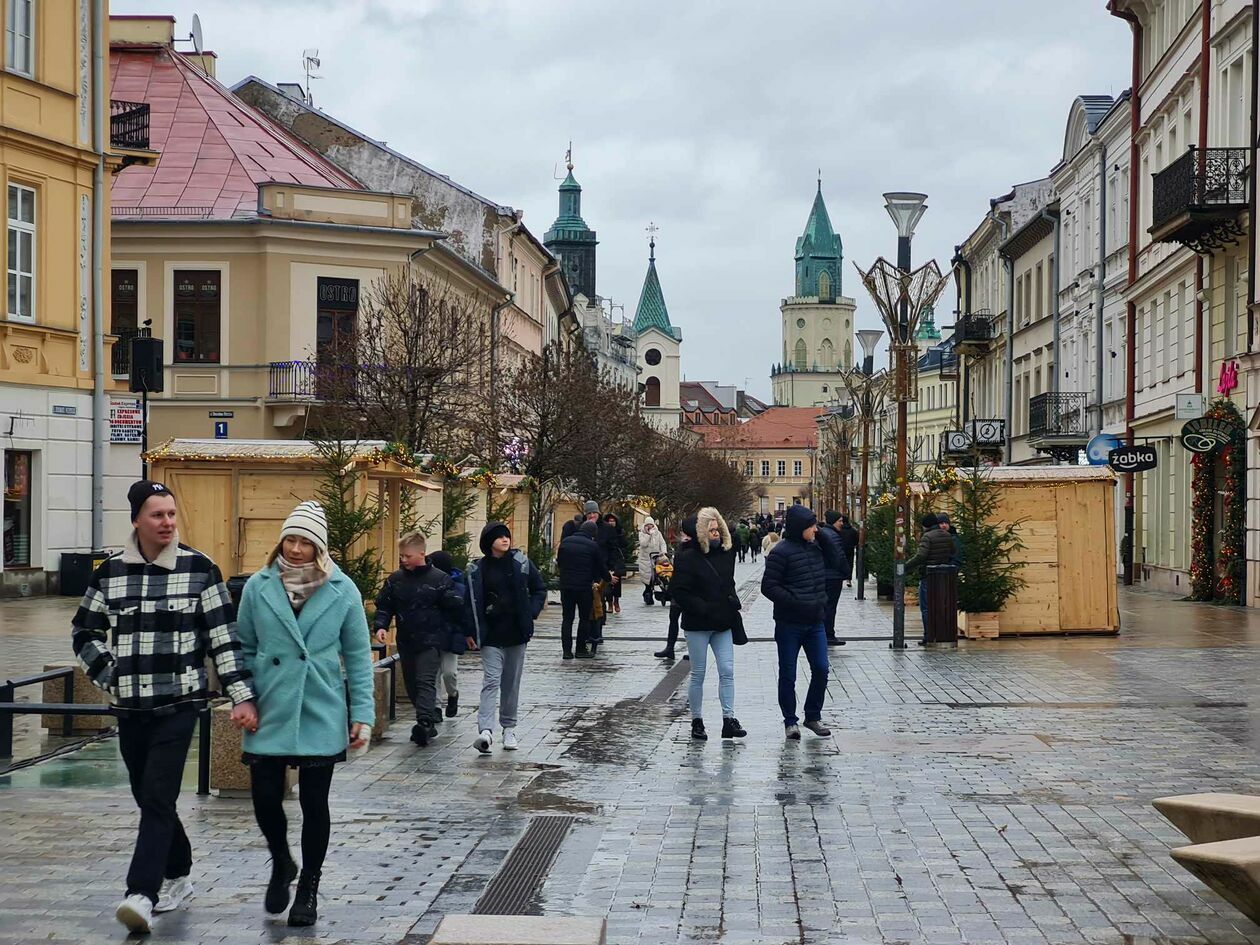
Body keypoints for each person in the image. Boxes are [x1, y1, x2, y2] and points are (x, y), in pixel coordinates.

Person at [72, 479, 258, 934]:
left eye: (172, 514)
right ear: (137, 519)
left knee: (158, 795)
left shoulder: (201, 569)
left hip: (180, 704)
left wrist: (242, 696)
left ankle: (141, 892)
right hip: (131, 708)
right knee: (147, 796)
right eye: (158, 515)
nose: (167, 523)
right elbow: (84, 632)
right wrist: (110, 675)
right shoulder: (109, 573)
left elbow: (223, 639)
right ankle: (179, 871)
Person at [234, 501, 374, 927]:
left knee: (315, 802)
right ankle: (281, 861)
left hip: (320, 703)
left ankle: (309, 888)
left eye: (306, 542)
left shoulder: (342, 589)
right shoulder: (258, 586)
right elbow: (242, 646)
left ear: (320, 547)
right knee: (263, 797)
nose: (296, 550)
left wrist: (362, 712)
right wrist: (244, 696)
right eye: (290, 540)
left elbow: (357, 655)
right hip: (271, 703)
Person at [373, 532, 466, 746]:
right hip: (407, 640)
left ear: (421, 554)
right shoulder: (396, 580)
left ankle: (425, 721)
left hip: (431, 641)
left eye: (407, 556)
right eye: (401, 556)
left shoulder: (439, 579)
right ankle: (425, 717)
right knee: (411, 683)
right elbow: (385, 605)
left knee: (425, 680)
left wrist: (457, 628)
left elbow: (455, 607)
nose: (403, 559)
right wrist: (381, 626)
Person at [466, 522, 546, 753]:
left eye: (506, 536)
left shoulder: (520, 563)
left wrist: (531, 612)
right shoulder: (477, 569)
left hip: (516, 633)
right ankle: (485, 731)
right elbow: (470, 602)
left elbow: (539, 588)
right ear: (488, 542)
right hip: (491, 635)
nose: (504, 539)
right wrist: (470, 631)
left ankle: (509, 728)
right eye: (499, 536)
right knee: (491, 680)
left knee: (510, 683)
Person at [670, 509, 746, 741]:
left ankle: (728, 719)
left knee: (727, 670)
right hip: (698, 624)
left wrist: (731, 601)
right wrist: (702, 607)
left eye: (717, 529)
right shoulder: (686, 557)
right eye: (711, 530)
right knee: (698, 673)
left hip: (722, 622)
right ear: (701, 532)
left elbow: (729, 582)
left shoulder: (726, 553)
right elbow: (678, 591)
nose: (716, 534)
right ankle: (697, 720)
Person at [760, 505, 831, 740]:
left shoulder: (817, 548)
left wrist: (820, 601)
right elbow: (768, 586)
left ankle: (812, 715)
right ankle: (790, 721)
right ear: (800, 527)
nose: (815, 530)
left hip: (815, 622)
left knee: (821, 668)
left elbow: (838, 561)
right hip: (789, 623)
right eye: (811, 526)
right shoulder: (781, 552)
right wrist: (794, 601)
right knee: (788, 673)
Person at [556, 519, 609, 659]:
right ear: (593, 533)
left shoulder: (566, 542)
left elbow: (559, 562)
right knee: (584, 618)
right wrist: (607, 578)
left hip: (566, 586)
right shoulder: (593, 546)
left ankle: (566, 651)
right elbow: (600, 566)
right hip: (584, 587)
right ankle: (580, 649)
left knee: (567, 619)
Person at [427, 550, 469, 720]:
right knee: (434, 673)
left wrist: (466, 633)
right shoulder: (428, 583)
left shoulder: (458, 586)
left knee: (449, 673)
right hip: (432, 634)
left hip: (451, 635)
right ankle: (436, 707)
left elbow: (463, 613)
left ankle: (453, 695)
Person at [906, 512, 959, 645]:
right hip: (943, 577)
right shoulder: (947, 535)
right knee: (941, 605)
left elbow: (921, 556)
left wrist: (906, 566)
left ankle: (928, 635)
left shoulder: (927, 537)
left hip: (928, 576)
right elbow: (952, 551)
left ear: (926, 526)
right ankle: (941, 634)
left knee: (926, 607)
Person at [654, 530, 691, 659]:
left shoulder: (697, 549)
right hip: (678, 590)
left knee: (689, 622)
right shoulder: (680, 549)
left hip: (690, 592)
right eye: (683, 535)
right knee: (673, 619)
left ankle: (693, 650)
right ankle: (670, 648)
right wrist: (671, 591)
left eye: (687, 535)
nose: (684, 537)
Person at [815, 511, 848, 647]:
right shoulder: (833, 536)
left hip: (825, 574)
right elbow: (839, 556)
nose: (842, 523)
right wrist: (846, 571)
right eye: (840, 521)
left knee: (825, 606)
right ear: (833, 521)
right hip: (832, 576)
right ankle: (828, 634)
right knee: (830, 606)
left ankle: (825, 633)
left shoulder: (826, 533)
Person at [637, 516, 667, 604]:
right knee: (648, 580)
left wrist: (663, 552)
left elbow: (662, 543)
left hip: (657, 558)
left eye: (651, 525)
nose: (649, 526)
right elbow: (643, 544)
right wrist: (648, 535)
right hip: (645, 560)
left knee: (658, 577)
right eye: (648, 525)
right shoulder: (642, 533)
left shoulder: (658, 533)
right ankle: (647, 595)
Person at [601, 512, 626, 615]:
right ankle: (610, 603)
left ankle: (616, 602)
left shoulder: (620, 532)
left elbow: (624, 544)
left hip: (617, 559)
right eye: (609, 521)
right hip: (607, 559)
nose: (611, 523)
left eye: (613, 521)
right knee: (607, 582)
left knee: (617, 582)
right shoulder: (604, 532)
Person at [837, 514, 860, 590]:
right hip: (850, 549)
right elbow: (857, 540)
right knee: (850, 564)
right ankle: (848, 580)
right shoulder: (853, 530)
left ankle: (840, 578)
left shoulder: (839, 531)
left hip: (840, 549)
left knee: (840, 563)